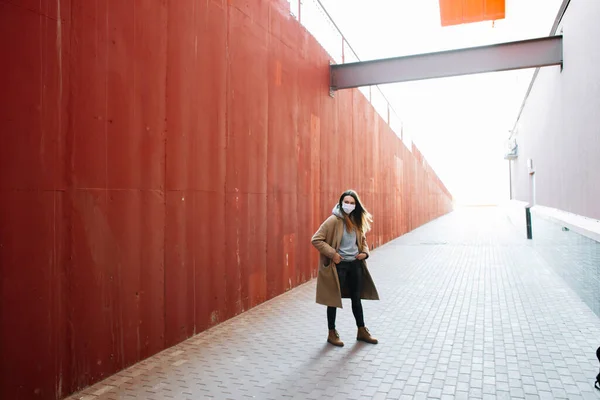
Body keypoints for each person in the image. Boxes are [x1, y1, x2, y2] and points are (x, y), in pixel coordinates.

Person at [311, 190, 380, 347]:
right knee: (333, 299)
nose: (348, 205)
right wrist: (333, 254)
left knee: (356, 298)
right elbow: (316, 239)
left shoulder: (356, 221)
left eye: (352, 203)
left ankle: (361, 331)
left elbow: (362, 240)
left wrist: (365, 253)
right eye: (346, 202)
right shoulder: (333, 220)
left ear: (356, 205)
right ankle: (331, 333)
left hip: (355, 265)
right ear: (341, 203)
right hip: (339, 266)